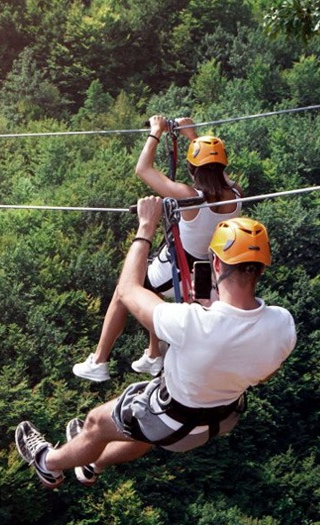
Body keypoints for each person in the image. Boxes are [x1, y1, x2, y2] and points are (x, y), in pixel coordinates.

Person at [16, 198, 296, 488]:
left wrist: (146, 226)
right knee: (143, 430)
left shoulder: (191, 322)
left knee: (96, 424)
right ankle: (93, 464)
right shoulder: (283, 325)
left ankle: (47, 464)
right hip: (219, 420)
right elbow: (264, 374)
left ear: (215, 262)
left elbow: (127, 290)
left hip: (171, 419)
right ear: (262, 269)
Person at [73, 115, 243, 382]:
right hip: (207, 270)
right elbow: (215, 169)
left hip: (179, 267)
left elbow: (143, 169)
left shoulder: (188, 197)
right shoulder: (237, 194)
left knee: (124, 290)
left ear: (191, 169)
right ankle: (154, 354)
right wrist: (192, 135)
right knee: (153, 291)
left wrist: (156, 132)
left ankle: (99, 360)